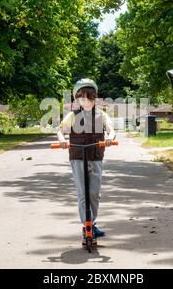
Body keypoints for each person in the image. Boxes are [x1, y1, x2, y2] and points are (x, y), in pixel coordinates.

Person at [57, 79, 116, 245]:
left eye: (89, 97)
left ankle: (92, 223)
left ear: (94, 98)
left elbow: (111, 129)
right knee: (83, 193)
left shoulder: (101, 115)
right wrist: (62, 140)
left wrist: (110, 138)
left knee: (94, 193)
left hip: (95, 156)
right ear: (77, 100)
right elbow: (60, 131)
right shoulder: (72, 115)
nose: (86, 101)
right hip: (77, 156)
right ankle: (86, 226)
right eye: (81, 98)